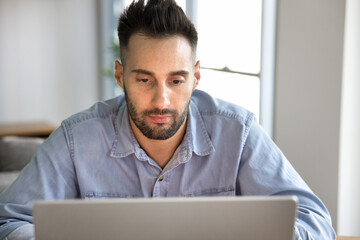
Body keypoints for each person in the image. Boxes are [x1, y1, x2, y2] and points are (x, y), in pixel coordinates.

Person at [0, 0, 335, 239]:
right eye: (144, 80)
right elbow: (9, 222)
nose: (161, 100)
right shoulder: (76, 139)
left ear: (196, 76)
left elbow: (317, 223)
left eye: (176, 80)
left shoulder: (239, 131)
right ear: (120, 75)